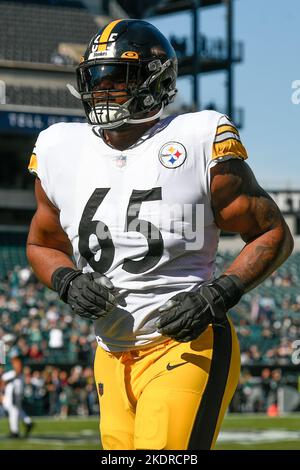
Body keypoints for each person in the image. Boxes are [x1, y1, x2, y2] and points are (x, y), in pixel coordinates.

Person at [26, 19, 293, 450]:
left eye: (118, 78)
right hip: (109, 354)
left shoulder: (196, 139)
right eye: (96, 77)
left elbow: (272, 233)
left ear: (157, 80)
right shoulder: (60, 148)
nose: (103, 89)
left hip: (185, 345)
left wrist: (218, 294)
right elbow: (41, 244)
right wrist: (66, 279)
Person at [1, 335, 34, 438]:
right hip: (10, 382)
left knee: (14, 406)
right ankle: (27, 422)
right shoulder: (4, 352)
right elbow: (2, 367)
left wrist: (6, 378)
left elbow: (18, 369)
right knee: (9, 405)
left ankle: (14, 431)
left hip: (15, 381)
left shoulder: (14, 351)